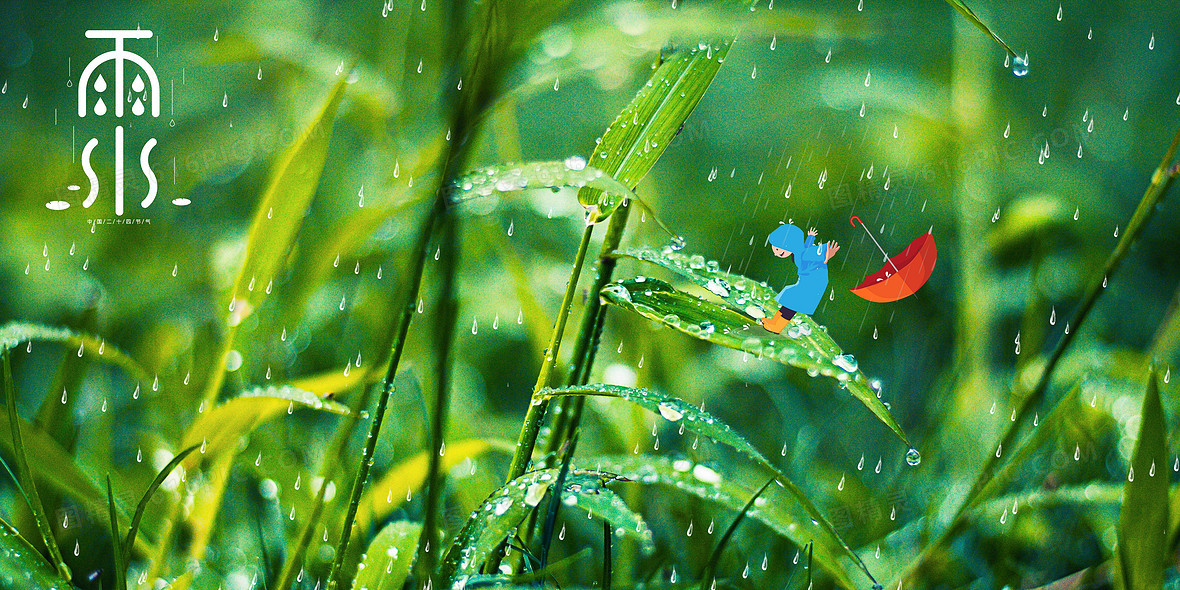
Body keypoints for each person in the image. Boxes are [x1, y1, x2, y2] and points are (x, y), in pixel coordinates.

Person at [761, 224, 840, 333]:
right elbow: (807, 246)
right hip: (807, 280)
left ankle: (778, 327)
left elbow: (816, 252)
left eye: (778, 249)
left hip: (813, 283)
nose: (776, 253)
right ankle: (774, 321)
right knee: (788, 297)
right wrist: (811, 237)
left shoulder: (804, 254)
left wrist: (826, 255)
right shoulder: (799, 251)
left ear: (789, 245)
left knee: (792, 303)